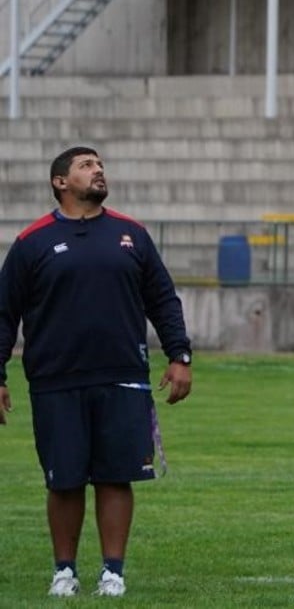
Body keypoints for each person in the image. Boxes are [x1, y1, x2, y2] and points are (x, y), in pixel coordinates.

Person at [0, 146, 193, 599]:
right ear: (60, 182)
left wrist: (180, 355)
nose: (98, 171)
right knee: (64, 479)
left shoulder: (133, 234)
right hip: (55, 381)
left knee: (115, 475)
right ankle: (63, 572)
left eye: (100, 165)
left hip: (124, 376)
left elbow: (163, 300)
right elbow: (4, 314)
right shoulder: (33, 241)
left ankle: (113, 573)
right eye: (86, 166)